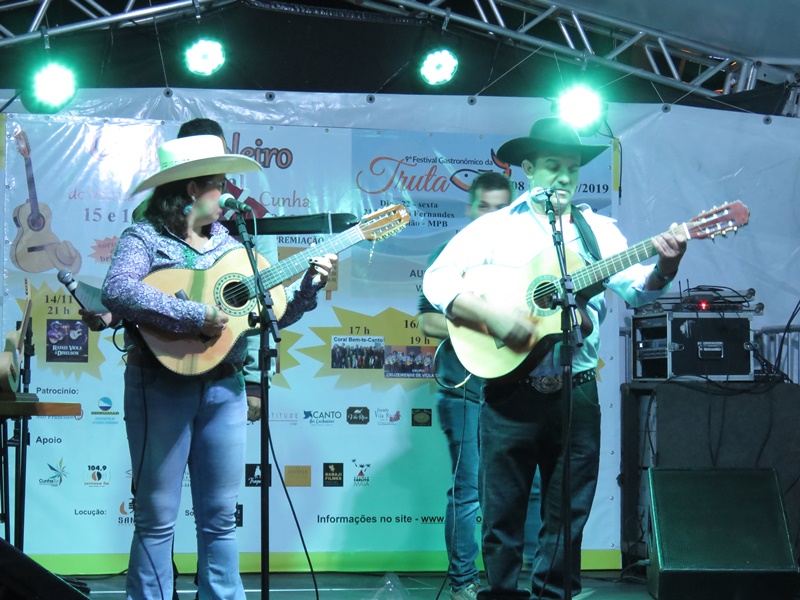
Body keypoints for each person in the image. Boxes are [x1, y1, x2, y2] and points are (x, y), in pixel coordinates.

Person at [422, 117, 686, 600]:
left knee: (568, 514)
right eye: (552, 165)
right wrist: (492, 315)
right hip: (508, 390)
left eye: (572, 167)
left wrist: (667, 265)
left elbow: (639, 292)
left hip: (576, 391)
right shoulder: (495, 228)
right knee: (502, 516)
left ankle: (554, 595)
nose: (563, 176)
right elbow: (437, 280)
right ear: (528, 169)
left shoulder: (597, 231)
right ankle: (502, 593)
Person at [101, 134, 336, 600]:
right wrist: (194, 315)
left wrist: (309, 285)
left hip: (225, 388)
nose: (229, 192)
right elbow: (118, 290)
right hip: (158, 385)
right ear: (193, 189)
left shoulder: (233, 245)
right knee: (156, 518)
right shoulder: (144, 237)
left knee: (220, 519)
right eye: (221, 184)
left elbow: (268, 315)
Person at [418, 172, 543, 600]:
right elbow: (427, 320)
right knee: (469, 492)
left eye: (502, 207)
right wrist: (486, 324)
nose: (493, 214)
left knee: (532, 490)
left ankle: (522, 582)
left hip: (519, 390)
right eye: (485, 206)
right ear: (471, 208)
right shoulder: (450, 256)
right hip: (465, 389)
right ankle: (464, 583)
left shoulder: (528, 260)